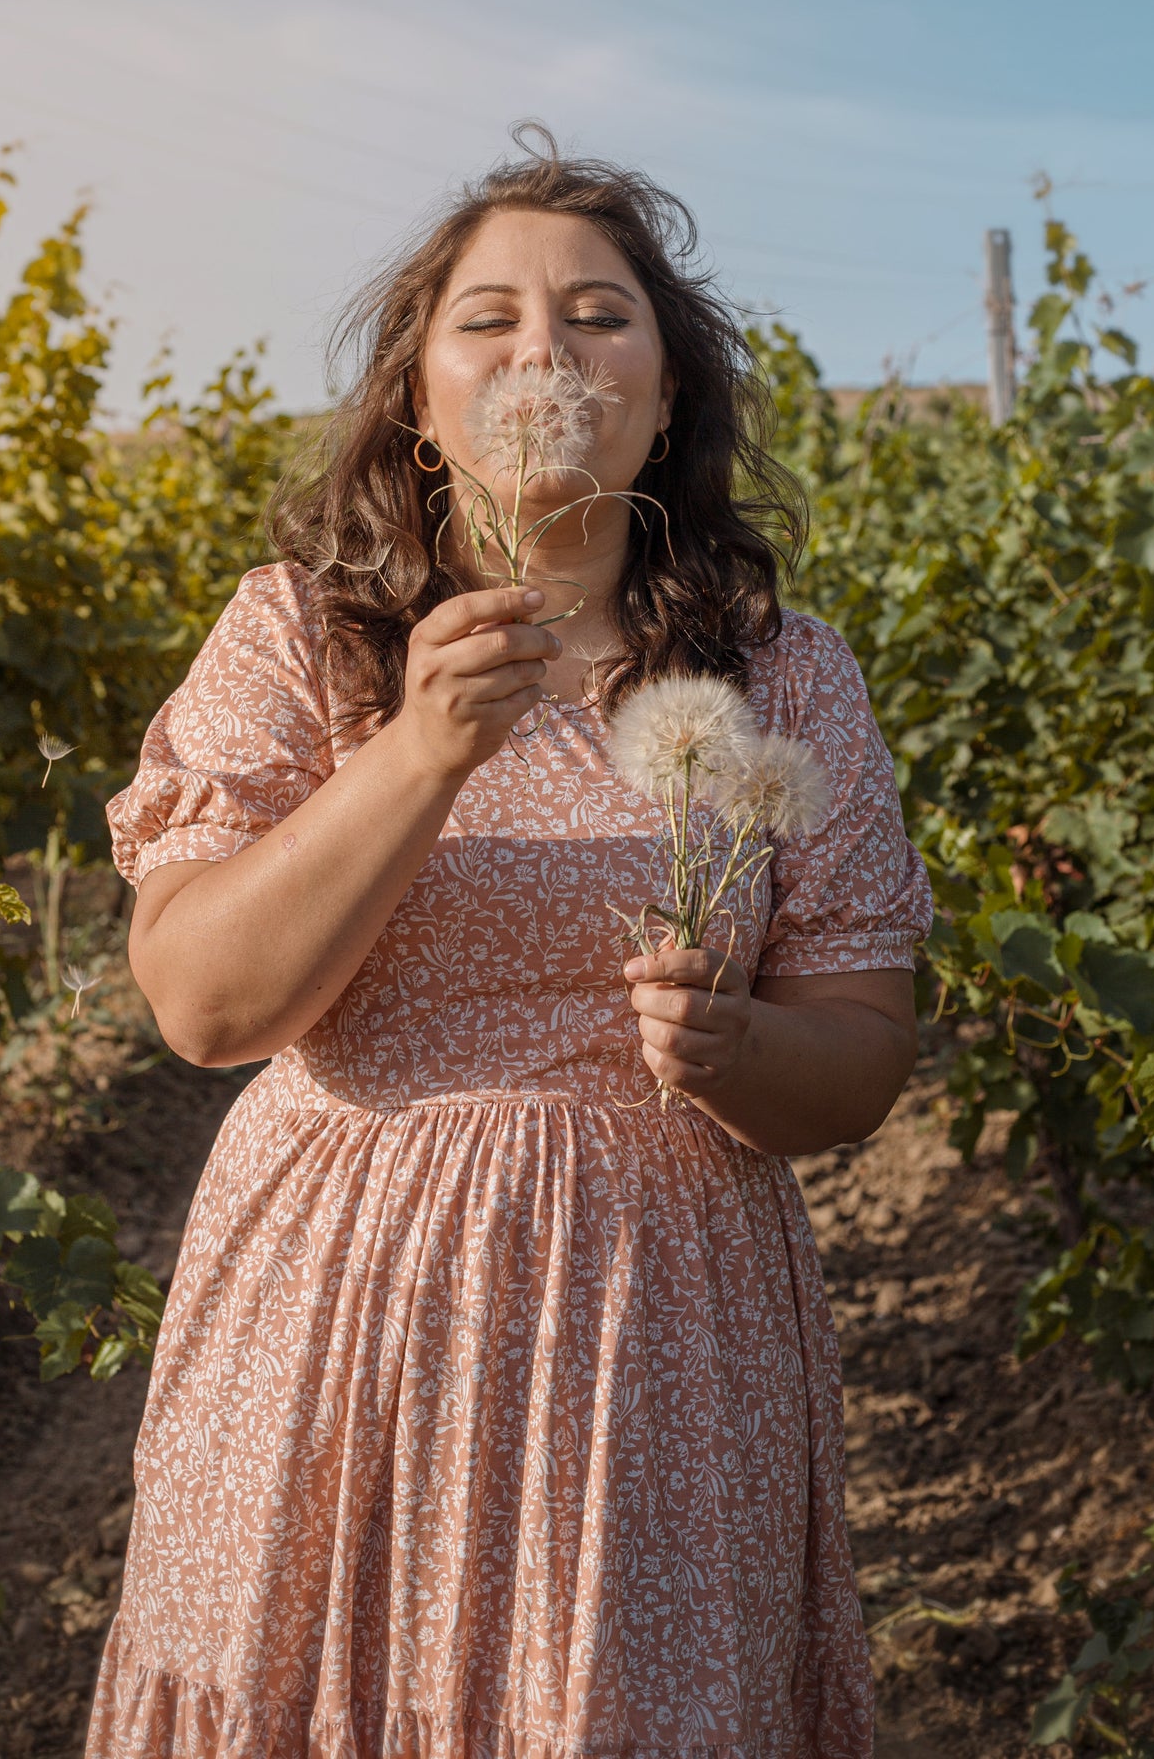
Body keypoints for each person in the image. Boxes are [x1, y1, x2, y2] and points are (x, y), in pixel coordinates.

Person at [85, 132, 931, 1759]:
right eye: (488, 319)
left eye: (598, 315)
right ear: (418, 394)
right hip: (342, 1314)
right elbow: (203, 1003)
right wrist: (415, 754)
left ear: (667, 387)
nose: (544, 349)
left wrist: (740, 1053)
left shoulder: (787, 677)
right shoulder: (298, 633)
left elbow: (863, 1051)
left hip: (661, 1340)